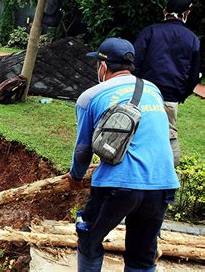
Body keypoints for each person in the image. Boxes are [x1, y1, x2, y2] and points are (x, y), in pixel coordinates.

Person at [66, 38, 180, 271]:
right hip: (162, 184)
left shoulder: (91, 97)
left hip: (118, 186)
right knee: (141, 256)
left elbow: (83, 150)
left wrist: (75, 177)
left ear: (104, 67)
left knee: (89, 238)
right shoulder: (153, 89)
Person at [133, 0, 201, 167]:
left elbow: (134, 62)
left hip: (143, 94)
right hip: (171, 98)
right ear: (187, 13)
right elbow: (193, 76)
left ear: (165, 11)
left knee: (136, 132)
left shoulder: (150, 31)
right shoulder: (192, 39)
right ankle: (165, 178)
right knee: (168, 135)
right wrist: (180, 95)